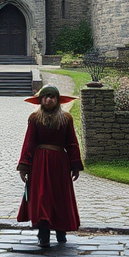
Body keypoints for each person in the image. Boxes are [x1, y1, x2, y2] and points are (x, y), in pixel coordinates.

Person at [16, 84, 83, 247]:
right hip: (40, 164)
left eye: (52, 96)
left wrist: (75, 165)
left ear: (58, 100)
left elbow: (72, 143)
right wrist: (25, 165)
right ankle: (43, 232)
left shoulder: (66, 118)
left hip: (60, 163)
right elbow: (29, 143)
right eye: (45, 97)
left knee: (60, 196)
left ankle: (61, 231)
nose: (49, 99)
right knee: (41, 196)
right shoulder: (34, 118)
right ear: (40, 100)